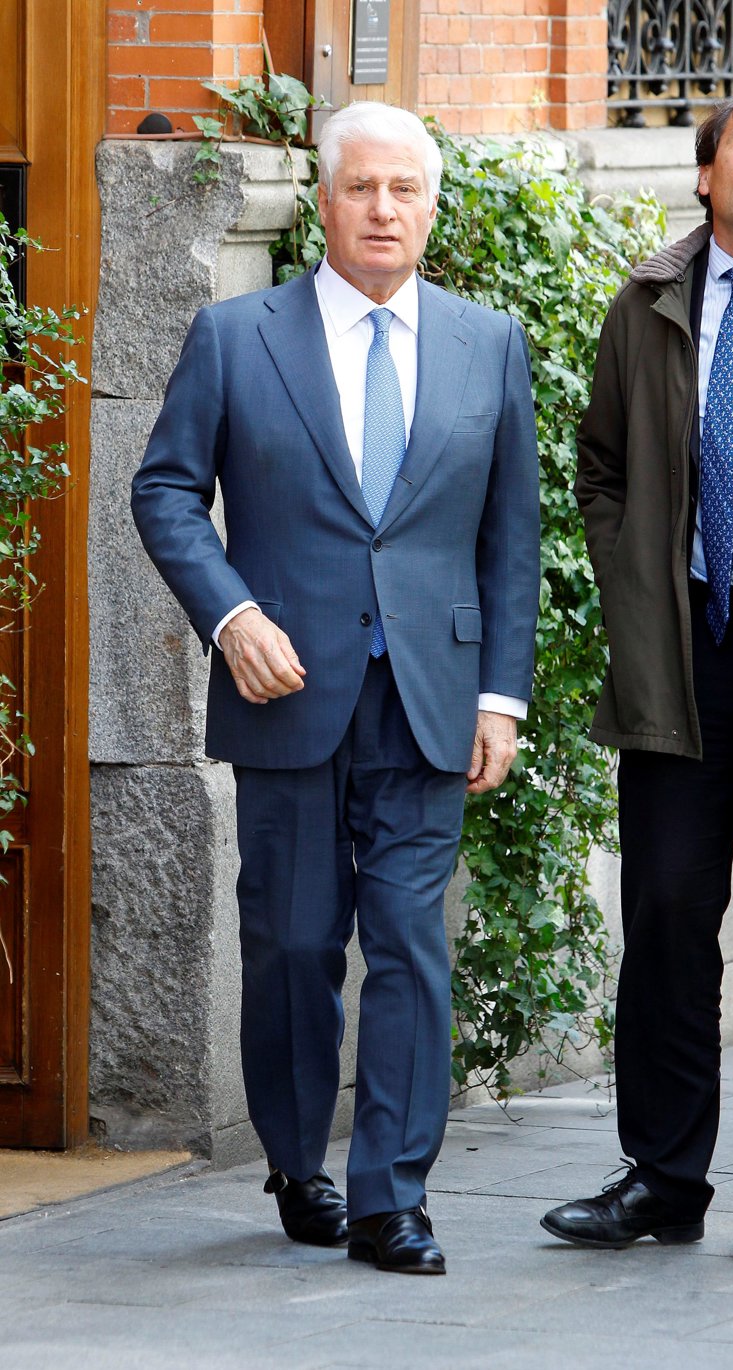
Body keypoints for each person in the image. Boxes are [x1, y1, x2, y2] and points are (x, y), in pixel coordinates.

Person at [132, 101, 539, 1275]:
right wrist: (231, 614)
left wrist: (500, 696)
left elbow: (509, 534)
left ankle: (390, 1196)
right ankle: (297, 1160)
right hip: (285, 689)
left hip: (429, 694)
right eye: (360, 187)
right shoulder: (235, 335)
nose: (381, 209)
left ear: (430, 209)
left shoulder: (486, 343)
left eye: (403, 190)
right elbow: (164, 491)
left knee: (408, 941)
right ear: (322, 203)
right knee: (293, 944)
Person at [540, 76, 733, 1262]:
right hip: (680, 641)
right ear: (706, 173)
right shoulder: (643, 303)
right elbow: (598, 464)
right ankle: (661, 1175)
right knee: (663, 909)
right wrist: (634, 581)